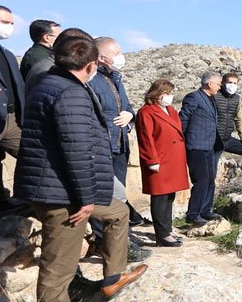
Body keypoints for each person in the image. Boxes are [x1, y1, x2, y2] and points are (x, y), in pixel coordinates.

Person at [13, 36, 147, 302]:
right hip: (64, 197)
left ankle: (112, 277)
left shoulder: (49, 82)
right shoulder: (70, 93)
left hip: (61, 188)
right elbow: (75, 152)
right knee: (55, 277)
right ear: (90, 65)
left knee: (117, 212)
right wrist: (85, 200)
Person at [87, 36, 150, 227]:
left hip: (120, 144)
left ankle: (120, 235)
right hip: (103, 145)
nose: (121, 57)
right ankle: (103, 237)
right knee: (105, 195)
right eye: (117, 53)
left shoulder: (116, 78)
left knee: (119, 193)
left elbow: (127, 106)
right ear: (102, 57)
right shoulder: (92, 80)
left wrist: (129, 117)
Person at [136, 79, 189, 247]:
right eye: (166, 93)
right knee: (159, 197)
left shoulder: (171, 110)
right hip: (159, 159)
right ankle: (162, 235)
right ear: (156, 94)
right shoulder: (146, 112)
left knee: (170, 196)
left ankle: (167, 229)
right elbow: (146, 138)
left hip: (173, 159)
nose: (169, 97)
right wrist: (151, 160)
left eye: (171, 93)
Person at [0, 4, 26, 212]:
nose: (10, 27)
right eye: (5, 22)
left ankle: (23, 199)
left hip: (11, 118)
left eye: (11, 23)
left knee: (32, 155)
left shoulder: (8, 54)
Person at [180, 71, 224, 226]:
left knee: (210, 180)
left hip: (209, 146)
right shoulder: (194, 97)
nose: (220, 87)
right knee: (201, 181)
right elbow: (183, 119)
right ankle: (192, 214)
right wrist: (180, 141)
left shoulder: (211, 99)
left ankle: (206, 210)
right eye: (218, 84)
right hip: (196, 145)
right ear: (210, 84)